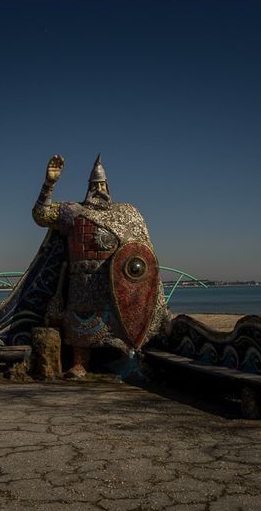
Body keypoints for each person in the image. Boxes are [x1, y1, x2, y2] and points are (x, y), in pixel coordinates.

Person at [32, 154, 168, 377]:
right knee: (81, 323)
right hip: (81, 282)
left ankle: (129, 357)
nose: (99, 188)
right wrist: (49, 184)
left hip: (114, 285)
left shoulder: (126, 213)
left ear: (108, 185)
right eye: (95, 184)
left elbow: (141, 256)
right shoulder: (72, 212)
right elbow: (40, 215)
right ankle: (80, 364)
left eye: (102, 184)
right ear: (88, 187)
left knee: (121, 324)